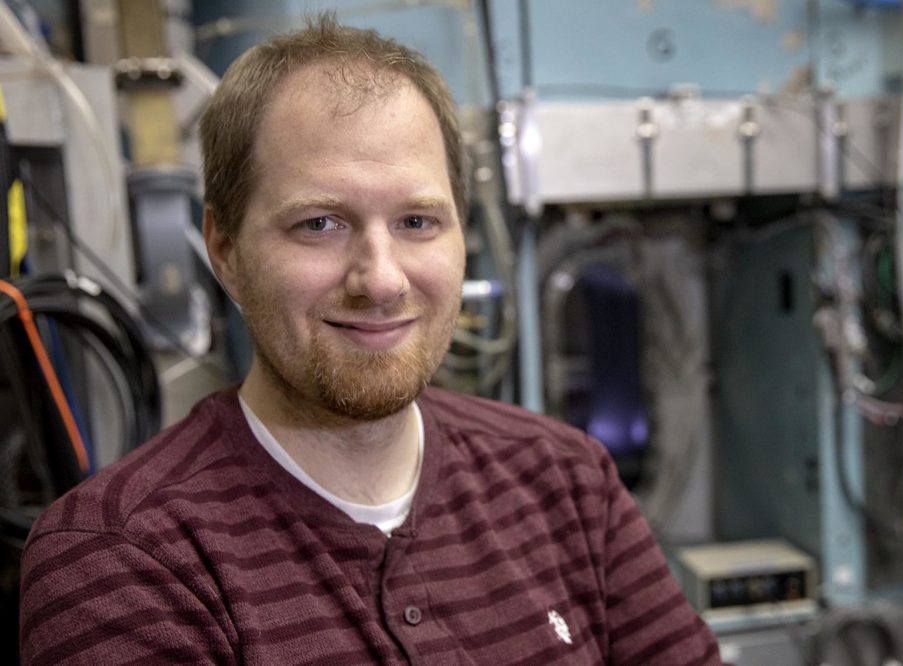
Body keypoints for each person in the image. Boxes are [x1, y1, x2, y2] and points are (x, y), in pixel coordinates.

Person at [20, 14, 721, 665]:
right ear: (225, 249)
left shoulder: (566, 481)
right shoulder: (122, 560)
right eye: (320, 223)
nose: (381, 280)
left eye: (417, 222)